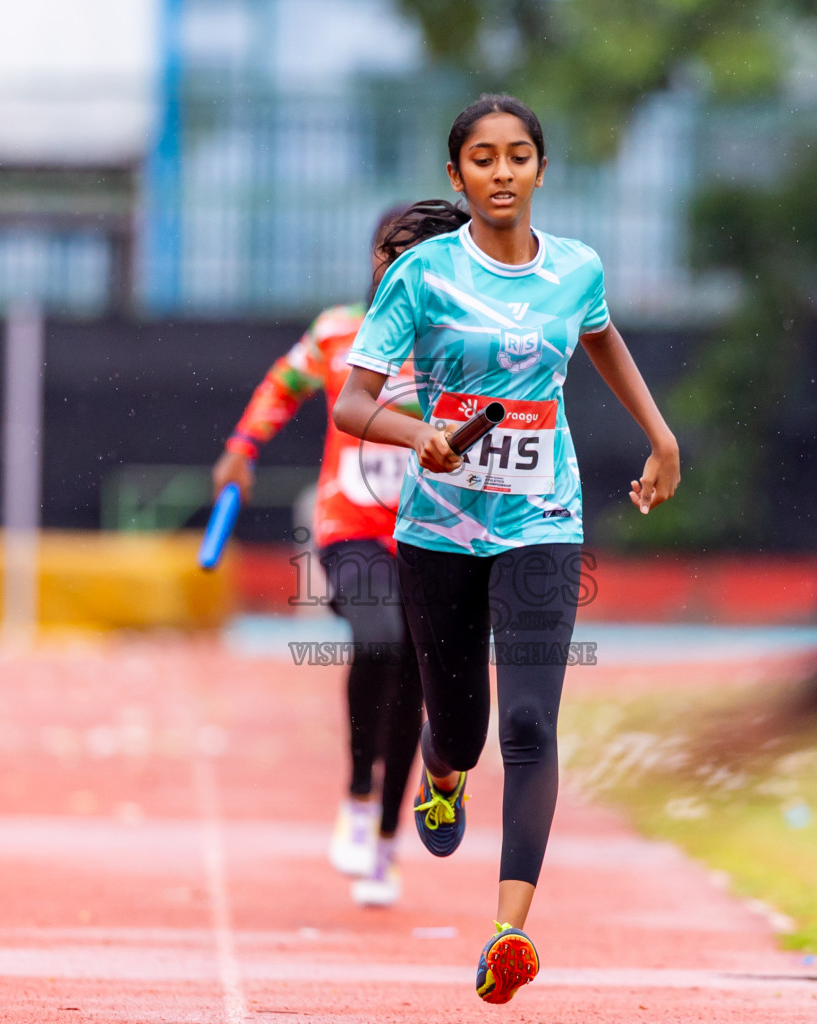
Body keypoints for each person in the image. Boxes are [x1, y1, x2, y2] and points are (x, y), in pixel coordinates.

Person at [332, 94, 680, 1004]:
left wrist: (661, 436)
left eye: (518, 156)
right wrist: (420, 437)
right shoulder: (421, 276)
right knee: (464, 730)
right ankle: (441, 775)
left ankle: (506, 934)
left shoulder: (576, 270)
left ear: (540, 169)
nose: (501, 172)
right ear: (457, 175)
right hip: (439, 531)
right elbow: (351, 403)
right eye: (481, 159)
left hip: (543, 526)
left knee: (530, 725)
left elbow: (602, 339)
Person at [212, 201, 468, 907]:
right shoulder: (337, 332)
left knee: (420, 676)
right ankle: (357, 797)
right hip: (351, 525)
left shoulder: (467, 344)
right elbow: (283, 384)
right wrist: (242, 448)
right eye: (395, 254)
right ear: (376, 260)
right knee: (380, 641)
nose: (407, 269)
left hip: (437, 532)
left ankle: (386, 840)